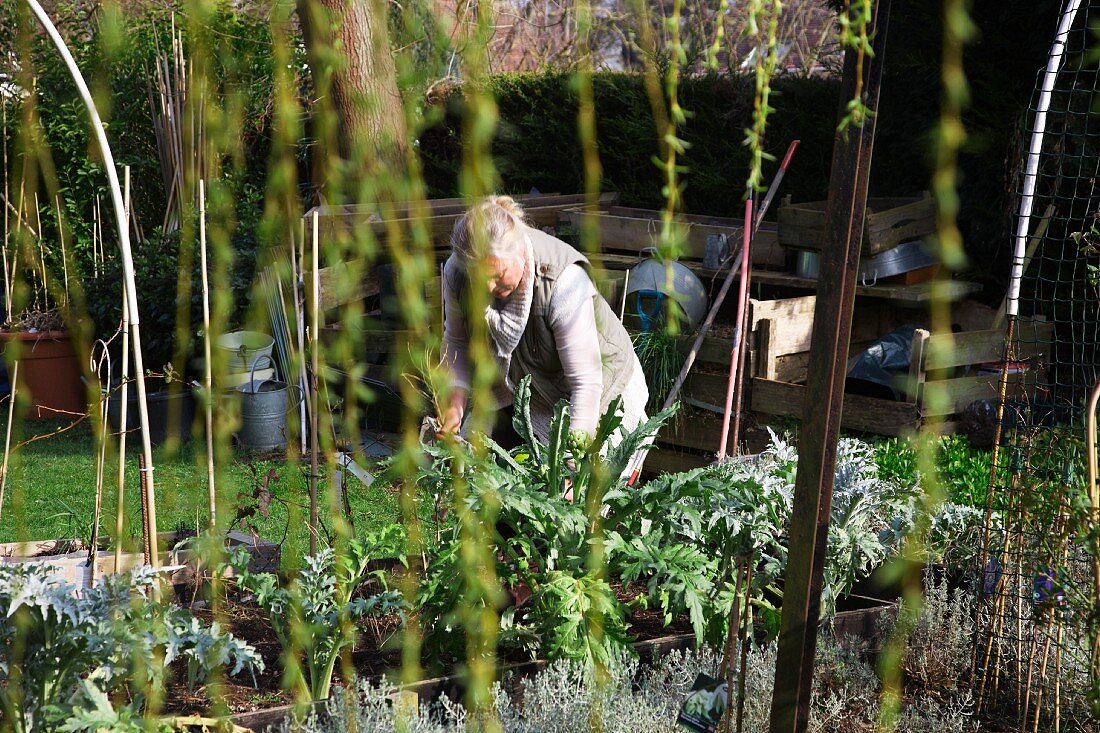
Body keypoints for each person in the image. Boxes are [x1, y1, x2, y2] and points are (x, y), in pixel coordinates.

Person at [437, 195, 649, 449]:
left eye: (498, 275)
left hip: (598, 388)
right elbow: (457, 342)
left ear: (520, 254)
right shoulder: (457, 272)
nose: (488, 287)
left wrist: (574, 461)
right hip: (523, 384)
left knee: (584, 479)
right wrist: (455, 404)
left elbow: (586, 382)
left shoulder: (564, 282)